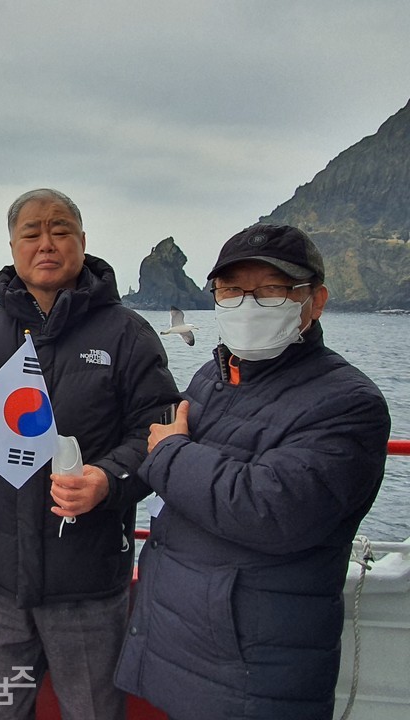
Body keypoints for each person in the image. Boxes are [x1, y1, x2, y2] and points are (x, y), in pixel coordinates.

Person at [114, 224, 391, 720]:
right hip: (185, 652)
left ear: (315, 301)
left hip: (256, 672)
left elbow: (271, 509)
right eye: (232, 291)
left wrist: (172, 453)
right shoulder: (213, 375)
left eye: (270, 290)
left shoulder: (350, 403)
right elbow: (166, 459)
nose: (247, 304)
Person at [0, 188, 179, 719]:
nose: (47, 242)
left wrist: (109, 480)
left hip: (88, 583)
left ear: (83, 242)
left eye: (61, 229)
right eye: (32, 232)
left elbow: (158, 430)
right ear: (13, 246)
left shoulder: (128, 333)